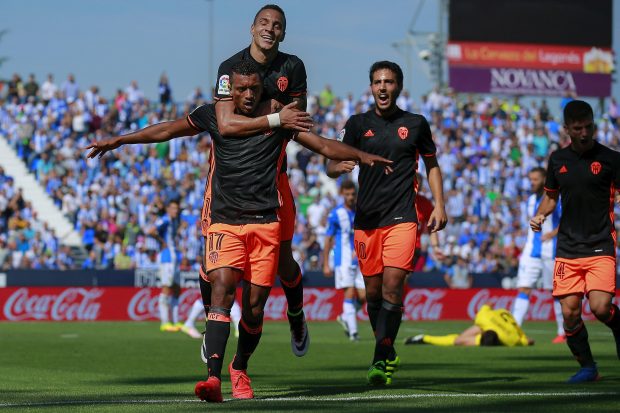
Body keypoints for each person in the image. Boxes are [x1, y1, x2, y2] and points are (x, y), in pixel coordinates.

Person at [86, 60, 392, 402]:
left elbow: (321, 145)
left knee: (255, 308)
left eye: (253, 89)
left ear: (263, 90)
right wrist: (122, 140)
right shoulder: (215, 116)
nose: (247, 95)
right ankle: (213, 379)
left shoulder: (279, 119)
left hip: (266, 223)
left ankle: (240, 366)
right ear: (229, 90)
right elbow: (168, 129)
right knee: (222, 291)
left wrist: (362, 156)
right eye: (240, 89)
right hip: (225, 219)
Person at [326, 61, 447, 386]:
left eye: (389, 82)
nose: (383, 87)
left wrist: (439, 205)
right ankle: (387, 348)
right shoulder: (356, 124)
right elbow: (330, 161)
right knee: (374, 295)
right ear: (371, 86)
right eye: (378, 81)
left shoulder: (416, 124)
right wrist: (337, 169)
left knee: (394, 284)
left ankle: (380, 356)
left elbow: (433, 166)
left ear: (398, 87)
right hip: (367, 221)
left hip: (402, 218)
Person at [207, 4, 314, 358]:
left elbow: (295, 120)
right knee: (210, 266)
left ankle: (296, 315)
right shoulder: (229, 68)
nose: (270, 29)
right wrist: (274, 116)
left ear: (283, 33)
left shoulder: (292, 67)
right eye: (264, 23)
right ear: (251, 28)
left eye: (277, 25)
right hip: (227, 180)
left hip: (272, 176)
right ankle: (215, 329)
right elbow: (225, 123)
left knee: (284, 262)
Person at [530, 100, 620, 384]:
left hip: (600, 245)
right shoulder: (557, 160)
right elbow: (551, 195)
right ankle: (588, 367)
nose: (584, 133)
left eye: (588, 127)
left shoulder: (611, 159)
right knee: (569, 314)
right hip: (567, 249)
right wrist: (540, 215)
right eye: (578, 128)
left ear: (594, 125)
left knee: (601, 307)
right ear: (567, 129)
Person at [511, 167, 564, 343]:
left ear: (544, 180)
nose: (532, 182)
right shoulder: (531, 200)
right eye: (530, 179)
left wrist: (553, 233)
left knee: (556, 292)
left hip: (551, 251)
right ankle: (514, 329)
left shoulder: (555, 199)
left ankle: (562, 333)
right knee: (524, 288)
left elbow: (566, 220)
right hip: (531, 252)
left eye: (535, 179)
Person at [323, 180, 365, 342]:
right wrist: (326, 263)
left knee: (364, 297)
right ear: (342, 194)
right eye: (347, 194)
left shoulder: (360, 211)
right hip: (344, 260)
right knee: (349, 293)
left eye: (353, 194)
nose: (350, 197)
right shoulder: (336, 214)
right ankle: (354, 333)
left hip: (360, 259)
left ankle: (345, 317)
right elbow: (328, 239)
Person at [403, 304, 532, 347]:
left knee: (459, 340)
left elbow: (487, 304)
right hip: (496, 328)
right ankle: (425, 338)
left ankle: (425, 338)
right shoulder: (512, 338)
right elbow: (525, 339)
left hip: (493, 325)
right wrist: (528, 341)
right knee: (458, 340)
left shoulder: (484, 317)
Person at [153, 201, 183, 332]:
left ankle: (176, 321)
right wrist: (162, 242)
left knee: (176, 288)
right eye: (173, 208)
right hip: (167, 258)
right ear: (168, 209)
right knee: (166, 287)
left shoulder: (173, 221)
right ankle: (164, 322)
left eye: (177, 208)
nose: (175, 211)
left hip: (175, 258)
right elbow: (152, 230)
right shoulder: (164, 219)